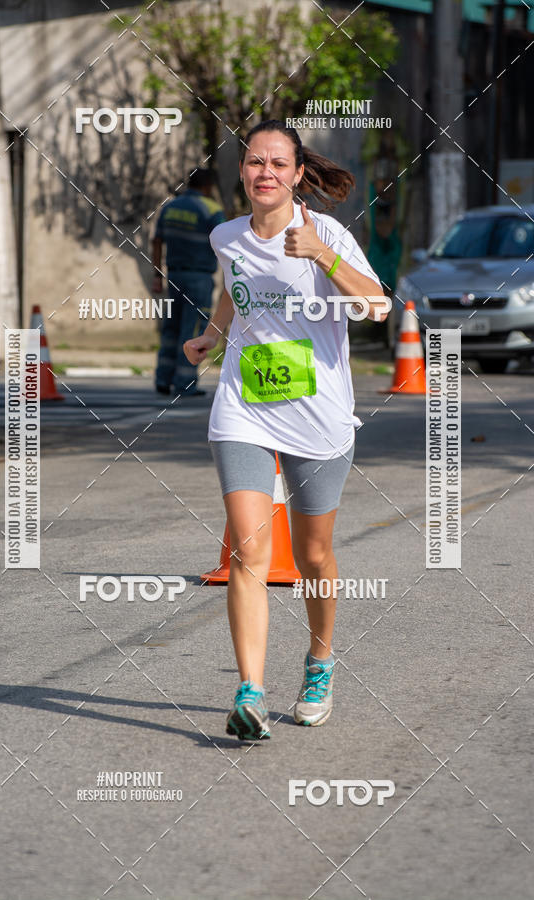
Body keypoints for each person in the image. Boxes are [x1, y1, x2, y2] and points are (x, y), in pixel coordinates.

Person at [183, 120, 389, 741]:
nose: (264, 172)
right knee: (249, 551)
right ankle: (250, 691)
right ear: (241, 172)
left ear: (298, 173)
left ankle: (320, 662)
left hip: (318, 414)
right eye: (254, 162)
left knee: (313, 556)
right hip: (244, 406)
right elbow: (232, 290)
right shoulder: (227, 235)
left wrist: (322, 256)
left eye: (278, 163)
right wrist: (212, 337)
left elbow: (376, 305)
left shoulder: (326, 233)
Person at [152, 169, 225, 397]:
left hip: (174, 276)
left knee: (171, 328)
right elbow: (226, 243)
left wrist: (157, 275)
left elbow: (157, 241)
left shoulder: (170, 207)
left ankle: (163, 379)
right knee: (193, 329)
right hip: (199, 278)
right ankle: (184, 382)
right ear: (208, 186)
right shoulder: (212, 210)